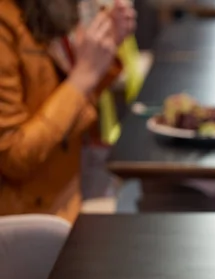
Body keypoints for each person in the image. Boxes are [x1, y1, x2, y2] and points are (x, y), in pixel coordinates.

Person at [0, 0, 136, 223]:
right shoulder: (6, 23)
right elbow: (14, 157)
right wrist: (82, 78)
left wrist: (103, 53)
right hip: (25, 226)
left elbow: (67, 110)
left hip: (63, 206)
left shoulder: (46, 13)